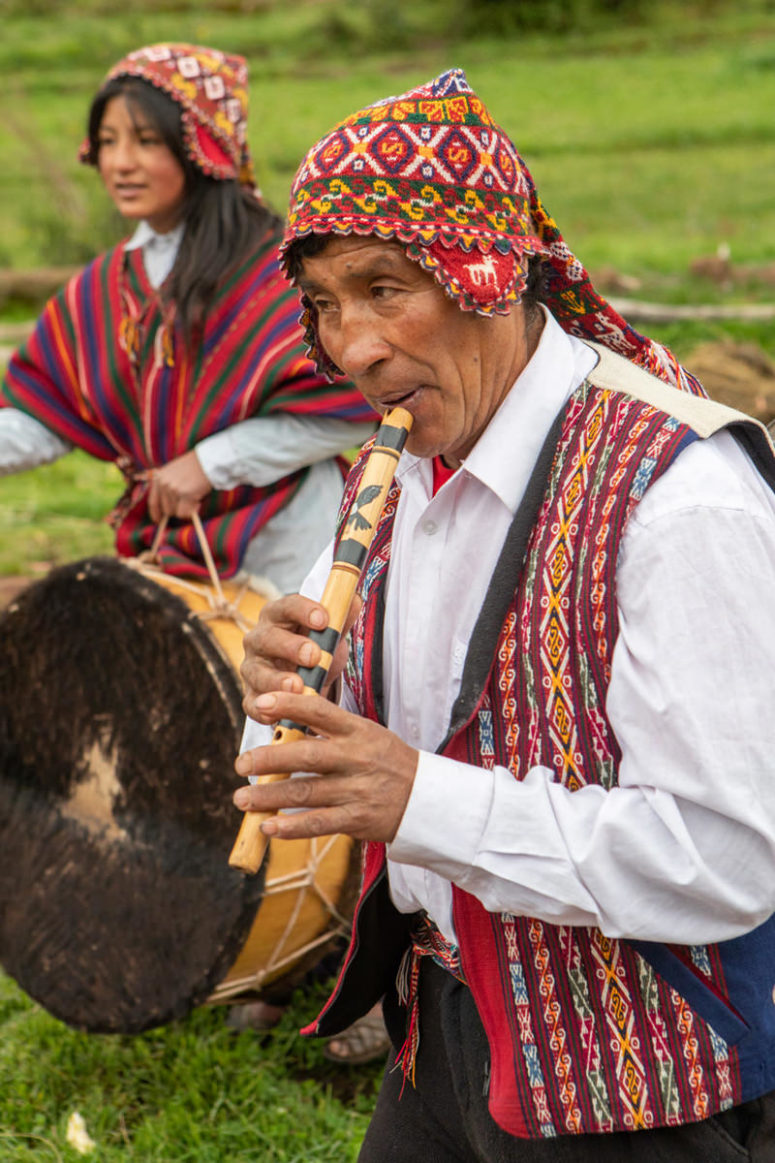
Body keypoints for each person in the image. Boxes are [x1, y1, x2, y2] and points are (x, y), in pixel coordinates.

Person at [232, 69, 775, 1160]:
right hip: (440, 1027)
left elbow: (727, 856)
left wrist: (417, 797)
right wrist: (297, 696)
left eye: (386, 288)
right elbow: (430, 728)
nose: (353, 346)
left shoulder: (681, 499)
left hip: (636, 1076)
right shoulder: (399, 469)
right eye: (327, 302)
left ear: (481, 270)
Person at [0, 43, 377, 593]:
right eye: (107, 142)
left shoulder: (279, 273)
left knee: (306, 677)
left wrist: (210, 464)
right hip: (168, 548)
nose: (120, 162)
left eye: (146, 141)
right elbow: (46, 413)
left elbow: (348, 407)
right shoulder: (102, 290)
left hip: (292, 543)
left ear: (202, 150)